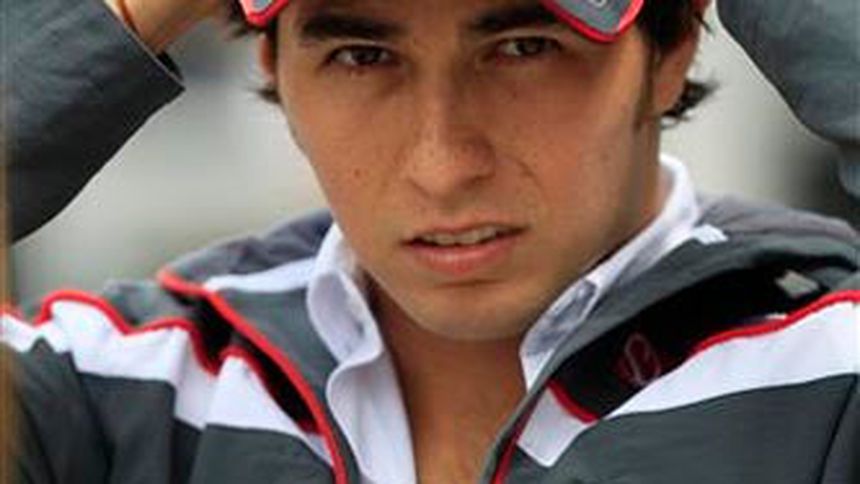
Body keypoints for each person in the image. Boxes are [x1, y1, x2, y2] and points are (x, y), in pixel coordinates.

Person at [2, 0, 858, 482]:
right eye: (362, 57)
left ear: (668, 48)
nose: (443, 166)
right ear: (274, 67)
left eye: (524, 48)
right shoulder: (127, 388)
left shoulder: (829, 369)